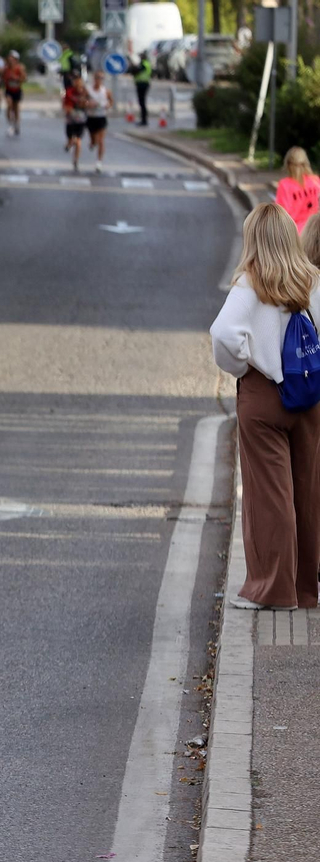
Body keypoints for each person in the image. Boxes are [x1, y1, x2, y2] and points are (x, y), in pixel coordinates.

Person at [210, 203, 320, 610]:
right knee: (307, 492)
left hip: (266, 397)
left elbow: (224, 335)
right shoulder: (311, 280)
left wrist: (244, 366)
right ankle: (306, 589)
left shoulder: (250, 284)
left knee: (270, 494)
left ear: (254, 240)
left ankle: (273, 590)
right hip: (310, 395)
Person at [276, 147, 320, 233]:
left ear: (288, 164)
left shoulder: (284, 185)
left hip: (295, 232)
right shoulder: (316, 181)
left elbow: (281, 215)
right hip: (316, 230)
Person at [86, 72, 113, 173]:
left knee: (101, 141)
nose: (99, 80)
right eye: (97, 78)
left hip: (101, 117)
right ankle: (92, 143)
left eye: (101, 78)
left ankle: (99, 162)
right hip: (91, 117)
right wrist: (88, 104)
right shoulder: (88, 90)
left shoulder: (106, 91)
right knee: (94, 140)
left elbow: (111, 101)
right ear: (94, 79)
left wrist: (108, 105)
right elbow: (83, 101)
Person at [62, 75, 91, 173]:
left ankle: (76, 160)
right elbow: (66, 105)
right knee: (71, 139)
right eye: (76, 82)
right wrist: (69, 110)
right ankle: (68, 144)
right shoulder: (69, 92)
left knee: (78, 141)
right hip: (71, 120)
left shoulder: (85, 92)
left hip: (81, 120)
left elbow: (88, 103)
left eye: (80, 82)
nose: (78, 84)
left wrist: (86, 103)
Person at [3, 51, 27, 136]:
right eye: (9, 58)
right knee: (9, 105)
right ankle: (10, 123)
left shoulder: (19, 68)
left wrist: (16, 78)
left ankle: (16, 124)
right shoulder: (6, 68)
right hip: (9, 90)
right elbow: (2, 77)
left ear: (16, 60)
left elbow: (24, 78)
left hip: (17, 90)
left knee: (16, 108)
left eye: (12, 59)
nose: (10, 60)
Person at [134, 52, 153, 125]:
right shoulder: (146, 63)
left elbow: (137, 71)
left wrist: (133, 69)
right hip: (143, 84)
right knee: (142, 102)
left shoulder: (143, 64)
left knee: (142, 103)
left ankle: (144, 120)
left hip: (142, 84)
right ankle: (143, 119)